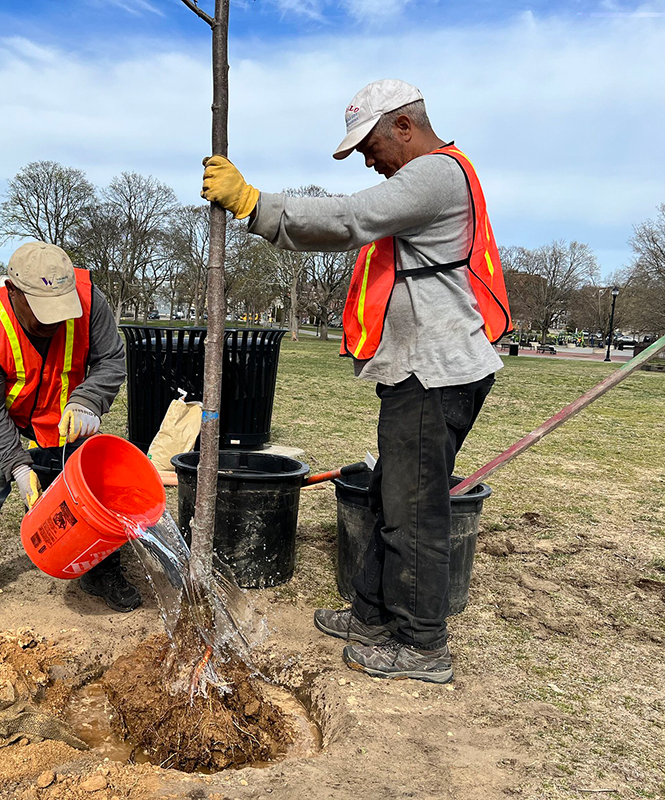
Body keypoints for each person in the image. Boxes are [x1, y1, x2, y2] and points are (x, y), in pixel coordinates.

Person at [201, 79, 511, 683]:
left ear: (403, 126)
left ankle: (422, 645)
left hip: (435, 372)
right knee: (385, 496)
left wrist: (256, 205)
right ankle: (372, 615)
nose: (368, 159)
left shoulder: (436, 175)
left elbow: (349, 218)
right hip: (421, 369)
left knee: (414, 511)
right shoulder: (429, 177)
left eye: (369, 144)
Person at [0, 241, 140, 617]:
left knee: (92, 476)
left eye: (60, 309)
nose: (55, 321)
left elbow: (111, 359)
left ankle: (99, 565)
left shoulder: (91, 302)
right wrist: (19, 465)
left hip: (61, 410)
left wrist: (88, 400)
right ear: (13, 292)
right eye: (43, 311)